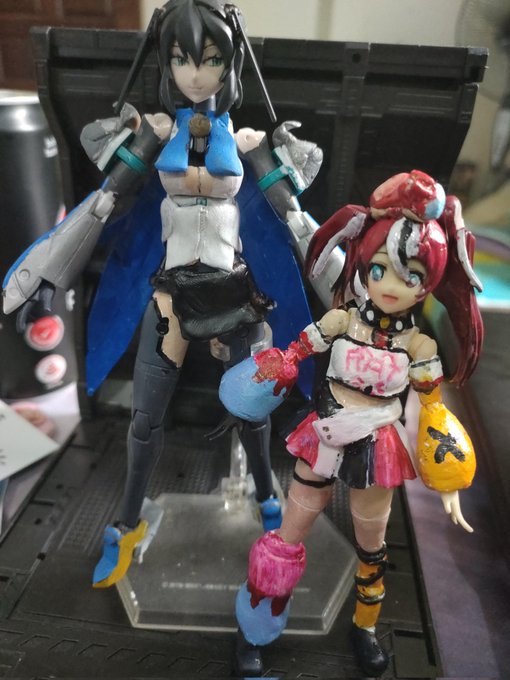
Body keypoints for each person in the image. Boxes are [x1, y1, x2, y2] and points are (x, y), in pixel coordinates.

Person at [3, 0, 325, 588]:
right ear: (165, 62)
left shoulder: (247, 140)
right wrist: (48, 269)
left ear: (230, 64)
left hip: (235, 294)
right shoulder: (156, 133)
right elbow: (101, 205)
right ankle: (126, 526)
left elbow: (295, 220)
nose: (195, 74)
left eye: (210, 59)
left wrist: (341, 278)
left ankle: (268, 503)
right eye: (181, 59)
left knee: (253, 415)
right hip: (171, 297)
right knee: (144, 422)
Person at [223, 170, 484, 676]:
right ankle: (255, 629)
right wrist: (261, 380)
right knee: (288, 535)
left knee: (372, 550)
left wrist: (448, 478)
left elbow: (432, 408)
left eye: (412, 276)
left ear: (428, 284)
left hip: (378, 444)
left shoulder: (418, 346)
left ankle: (364, 628)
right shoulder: (342, 319)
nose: (392, 286)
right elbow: (294, 352)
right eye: (380, 268)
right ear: (364, 262)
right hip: (326, 431)